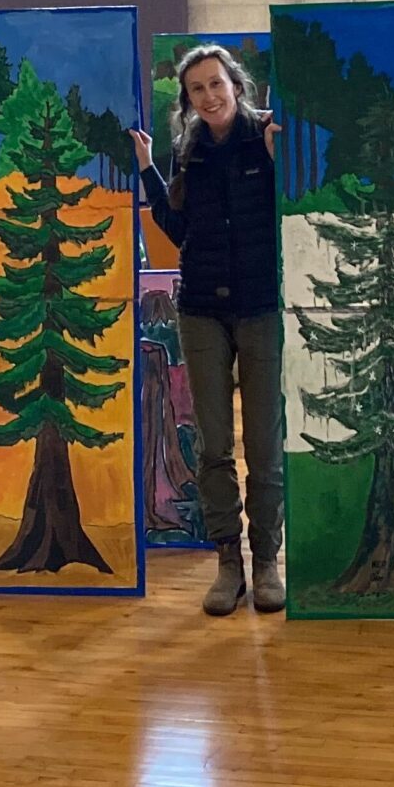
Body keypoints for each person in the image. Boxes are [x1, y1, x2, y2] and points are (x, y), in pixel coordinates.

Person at [131, 44, 285, 617]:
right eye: (197, 89)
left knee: (264, 447)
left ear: (236, 86)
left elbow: (294, 209)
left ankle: (266, 560)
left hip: (261, 307)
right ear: (188, 99)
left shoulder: (267, 137)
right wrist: (147, 169)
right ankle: (228, 562)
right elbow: (177, 229)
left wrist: (280, 162)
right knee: (213, 445)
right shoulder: (187, 150)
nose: (209, 96)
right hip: (200, 310)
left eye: (216, 84)